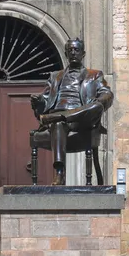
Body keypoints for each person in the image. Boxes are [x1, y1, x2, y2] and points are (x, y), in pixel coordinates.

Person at [30, 38, 113, 185]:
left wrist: (101, 99)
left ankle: (59, 117)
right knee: (59, 123)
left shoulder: (94, 75)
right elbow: (46, 99)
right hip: (59, 120)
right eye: (71, 50)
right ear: (66, 53)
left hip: (82, 120)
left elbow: (107, 93)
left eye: (77, 50)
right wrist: (38, 101)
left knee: (97, 106)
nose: (73, 53)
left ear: (83, 53)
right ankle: (59, 172)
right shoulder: (55, 76)